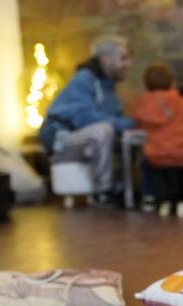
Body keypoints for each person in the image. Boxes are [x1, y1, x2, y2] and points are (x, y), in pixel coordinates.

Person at [39, 35, 134, 207]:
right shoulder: (83, 80)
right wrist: (131, 123)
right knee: (103, 130)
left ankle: (123, 189)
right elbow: (85, 119)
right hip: (61, 140)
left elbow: (117, 120)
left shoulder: (109, 87)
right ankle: (102, 193)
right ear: (105, 59)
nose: (128, 65)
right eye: (123, 58)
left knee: (126, 137)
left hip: (82, 139)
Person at [133, 63, 183, 218]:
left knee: (144, 160)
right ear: (171, 81)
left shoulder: (141, 105)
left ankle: (149, 197)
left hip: (157, 156)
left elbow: (138, 126)